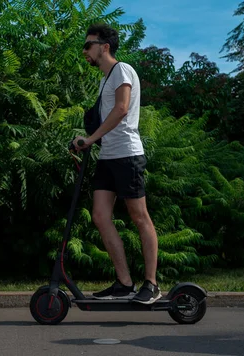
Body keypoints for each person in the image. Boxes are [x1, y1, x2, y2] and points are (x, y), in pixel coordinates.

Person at [73, 23, 161, 304]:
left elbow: (121, 109)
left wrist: (90, 139)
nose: (85, 51)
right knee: (100, 216)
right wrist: (86, 141)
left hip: (127, 155)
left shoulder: (121, 70)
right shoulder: (104, 79)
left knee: (139, 217)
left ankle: (152, 284)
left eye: (88, 45)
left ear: (104, 47)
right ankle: (124, 283)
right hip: (108, 156)